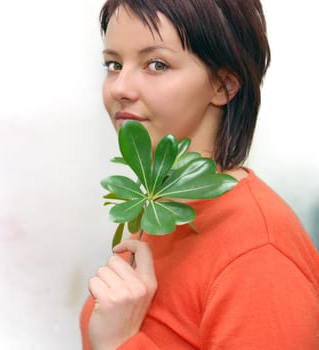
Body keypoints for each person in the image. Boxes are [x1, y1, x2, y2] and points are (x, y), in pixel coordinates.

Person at [80, 0, 319, 349]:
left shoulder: (259, 251)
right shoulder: (161, 208)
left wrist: (122, 342)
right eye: (114, 64)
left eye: (156, 64)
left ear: (223, 86)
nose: (120, 87)